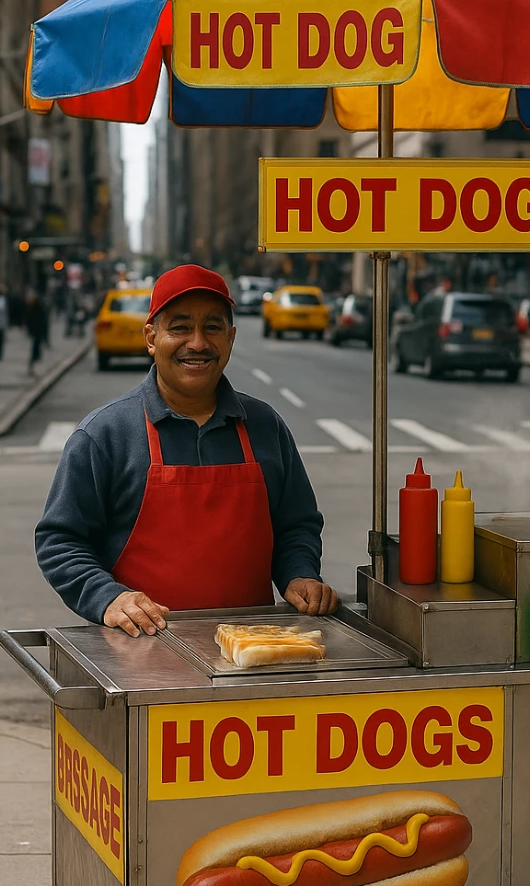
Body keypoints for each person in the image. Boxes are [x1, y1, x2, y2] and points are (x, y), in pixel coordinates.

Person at [35, 263, 339, 641]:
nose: (197, 343)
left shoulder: (265, 426)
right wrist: (107, 597)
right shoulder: (105, 434)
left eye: (212, 328)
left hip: (250, 650)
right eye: (180, 328)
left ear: (230, 337)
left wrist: (299, 573)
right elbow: (60, 540)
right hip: (140, 654)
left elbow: (297, 524)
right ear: (151, 337)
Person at [23, 288, 49, 376]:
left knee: (35, 348)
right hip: (33, 331)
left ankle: (32, 366)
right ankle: (32, 366)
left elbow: (43, 321)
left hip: (38, 331)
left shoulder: (38, 307)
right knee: (35, 348)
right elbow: (27, 319)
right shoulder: (30, 307)